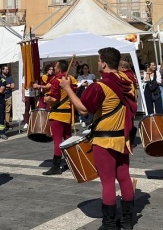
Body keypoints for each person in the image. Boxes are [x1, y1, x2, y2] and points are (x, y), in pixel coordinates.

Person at [59, 48, 138, 229]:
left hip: (104, 139)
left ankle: (109, 224)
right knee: (124, 178)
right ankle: (128, 221)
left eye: (99, 60)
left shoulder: (100, 86)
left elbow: (84, 109)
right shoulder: (128, 81)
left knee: (108, 182)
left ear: (103, 63)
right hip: (122, 138)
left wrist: (67, 89)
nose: (98, 63)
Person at [42, 60, 77, 175]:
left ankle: (56, 167)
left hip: (57, 114)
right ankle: (72, 163)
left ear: (59, 69)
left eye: (55, 67)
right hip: (68, 113)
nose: (54, 68)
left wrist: (46, 99)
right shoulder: (71, 79)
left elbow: (54, 98)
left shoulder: (57, 80)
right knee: (67, 139)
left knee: (57, 141)